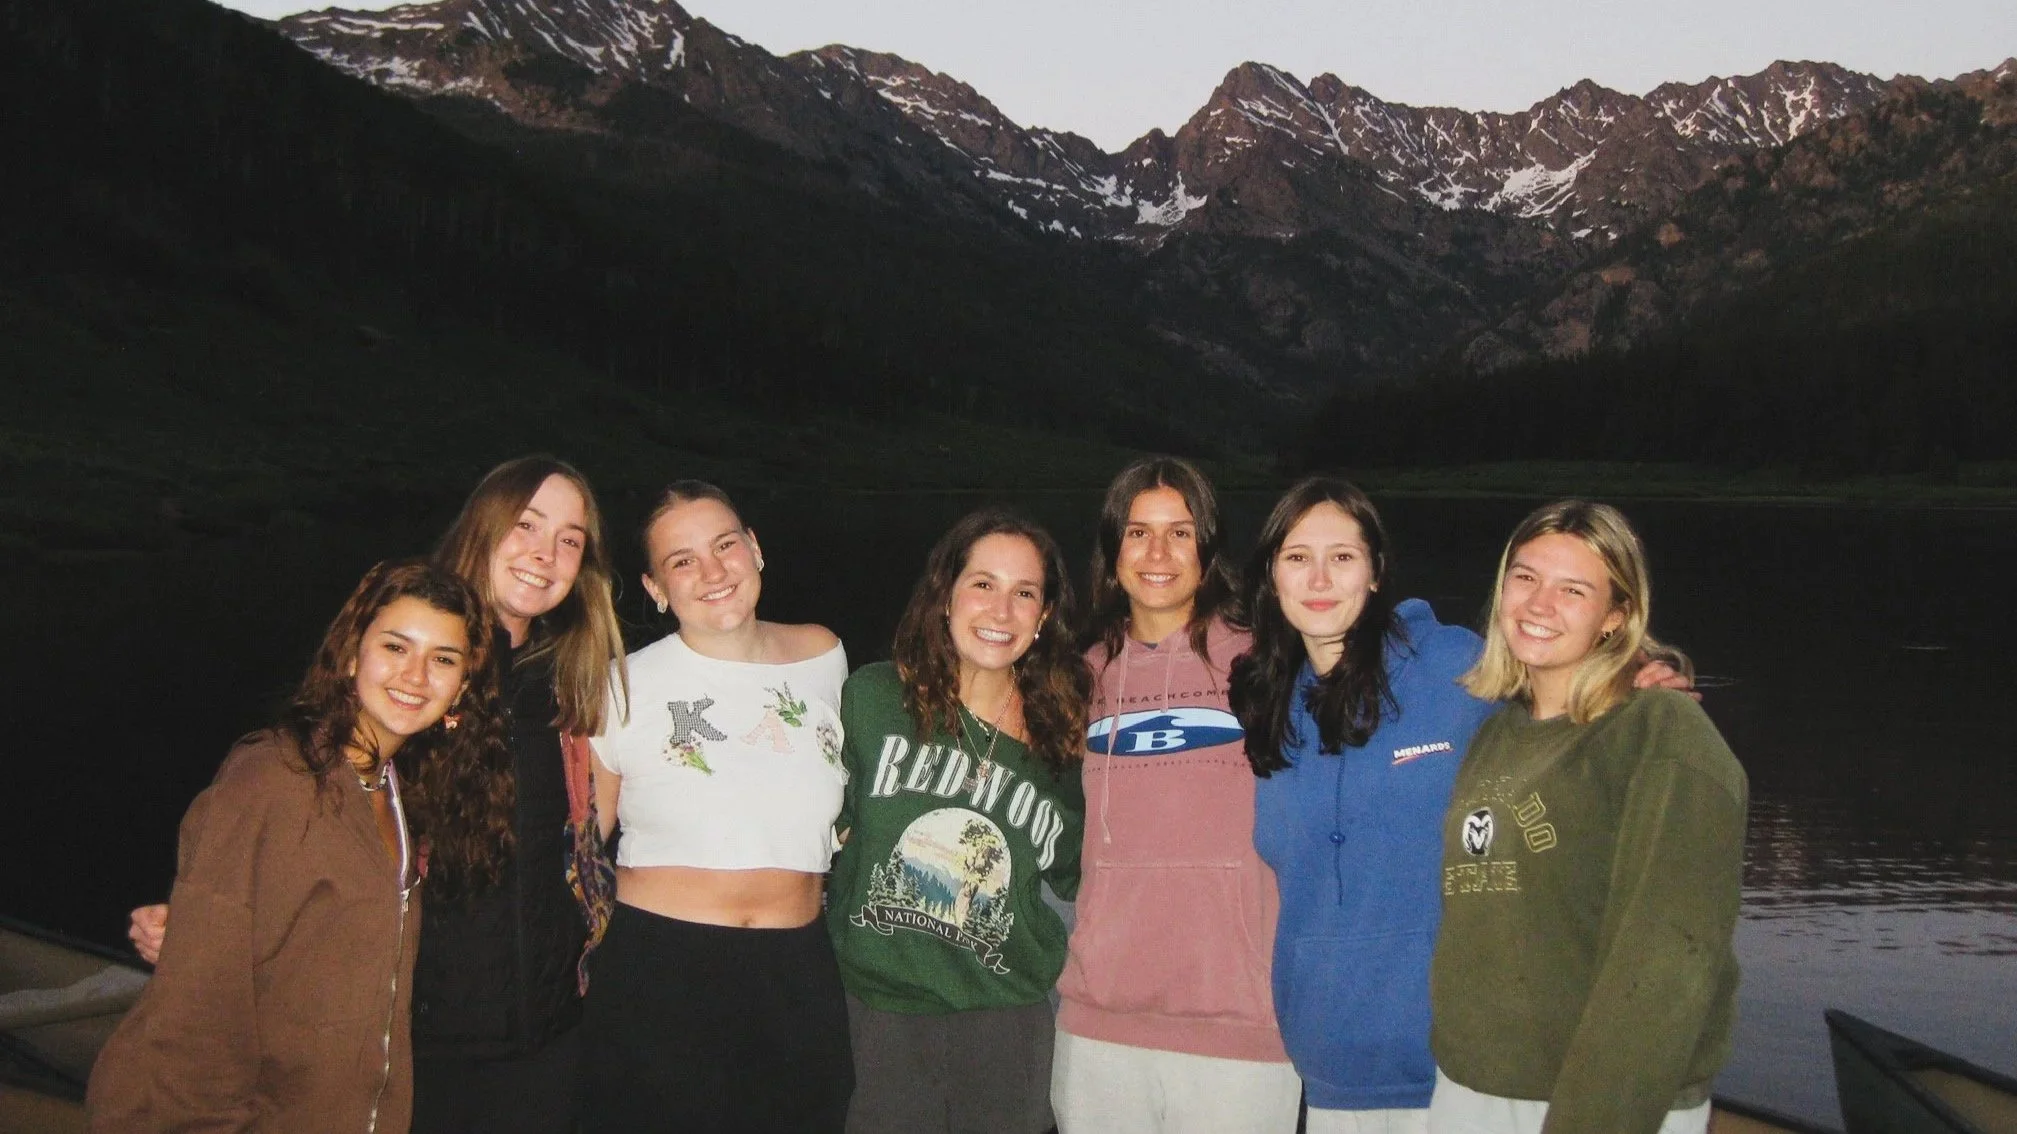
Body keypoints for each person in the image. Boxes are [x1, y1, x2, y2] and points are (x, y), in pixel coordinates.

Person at [124, 455, 630, 1134]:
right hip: (402, 1043)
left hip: (543, 1040)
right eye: (526, 524)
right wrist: (210, 919)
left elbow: (588, 846)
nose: (545, 553)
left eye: (570, 539)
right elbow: (290, 818)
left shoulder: (579, 687)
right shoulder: (399, 680)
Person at [88, 560, 502, 1132]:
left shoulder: (392, 791)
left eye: (443, 659)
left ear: (462, 687)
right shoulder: (273, 780)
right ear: (352, 655)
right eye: (396, 647)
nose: (415, 675)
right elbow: (196, 1008)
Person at [1428, 501, 1746, 1134]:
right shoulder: (1497, 733)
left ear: (1616, 615)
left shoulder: (1660, 733)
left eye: (1573, 590)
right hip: (1472, 1086)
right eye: (1525, 577)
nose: (1539, 604)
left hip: (1596, 1103)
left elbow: (1667, 964)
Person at [584, 480, 853, 1132]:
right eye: (682, 561)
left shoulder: (824, 655)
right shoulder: (619, 684)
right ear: (655, 588)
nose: (712, 571)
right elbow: (582, 848)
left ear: (754, 548)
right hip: (661, 970)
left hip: (798, 968)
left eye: (725, 545)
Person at [1052, 457, 1301, 1134]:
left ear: (1208, 549)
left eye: (1179, 533)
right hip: (1099, 1026)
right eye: (1138, 532)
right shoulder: (1080, 678)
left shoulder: (1269, 665)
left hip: (1241, 1030)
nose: (1157, 553)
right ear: (1113, 551)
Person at [827, 507, 1091, 1134]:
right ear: (945, 594)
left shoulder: (1066, 740)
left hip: (1007, 1021)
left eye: (1024, 593)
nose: (1001, 611)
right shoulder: (872, 699)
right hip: (878, 1014)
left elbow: (1079, 876)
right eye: (983, 584)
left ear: (1044, 615)